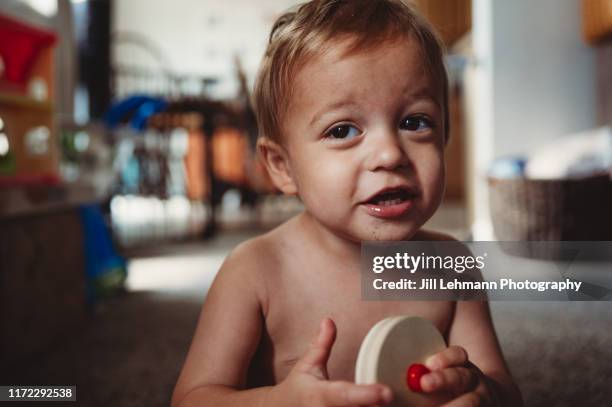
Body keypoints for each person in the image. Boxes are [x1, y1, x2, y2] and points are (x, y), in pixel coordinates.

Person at [172, 1, 523, 405]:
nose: (390, 154)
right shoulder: (254, 272)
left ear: (444, 135)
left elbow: (506, 393)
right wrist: (280, 401)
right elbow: (191, 399)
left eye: (415, 122)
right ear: (282, 167)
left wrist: (479, 391)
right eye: (342, 130)